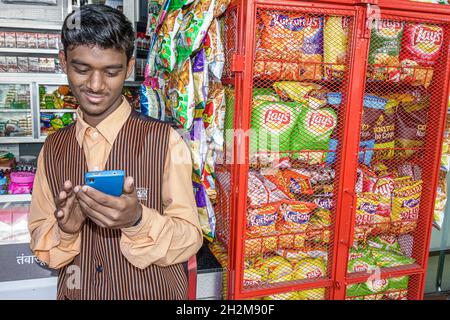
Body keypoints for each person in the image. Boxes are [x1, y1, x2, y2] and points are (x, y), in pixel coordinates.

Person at [28, 4, 203, 300]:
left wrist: (137, 220)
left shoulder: (165, 140)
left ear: (130, 66)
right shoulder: (54, 148)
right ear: (63, 62)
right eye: (81, 69)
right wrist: (66, 232)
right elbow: (44, 251)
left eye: (111, 72)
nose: (95, 85)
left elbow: (190, 239)